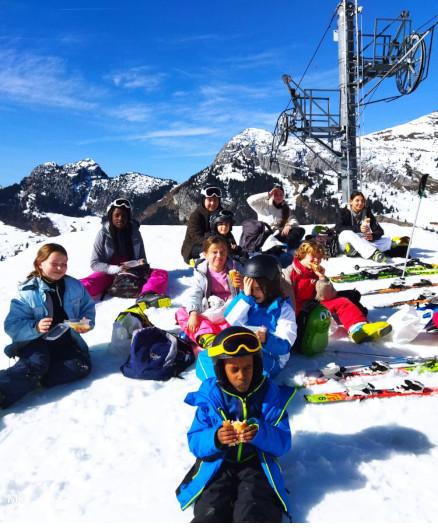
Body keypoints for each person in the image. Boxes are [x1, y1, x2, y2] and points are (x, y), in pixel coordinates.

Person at [176, 326, 295, 522]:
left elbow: (283, 442)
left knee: (255, 508)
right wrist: (215, 438)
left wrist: (259, 432)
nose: (242, 375)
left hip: (256, 464)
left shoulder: (268, 395)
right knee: (211, 509)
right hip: (218, 464)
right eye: (234, 369)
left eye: (247, 367)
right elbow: (195, 440)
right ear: (221, 370)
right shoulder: (211, 397)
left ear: (256, 365)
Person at [0, 243, 95, 409]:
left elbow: (88, 308)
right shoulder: (27, 292)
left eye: (64, 263)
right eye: (54, 263)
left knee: (81, 366)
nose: (60, 267)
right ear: (40, 264)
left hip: (66, 340)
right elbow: (11, 325)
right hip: (35, 342)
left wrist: (85, 324)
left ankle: (34, 378)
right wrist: (35, 327)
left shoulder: (75, 286)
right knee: (37, 362)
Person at [290, 240, 392, 344]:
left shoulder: (315, 272)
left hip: (315, 305)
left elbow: (327, 296)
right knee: (338, 304)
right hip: (298, 311)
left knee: (343, 301)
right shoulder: (290, 272)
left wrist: (322, 278)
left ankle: (358, 329)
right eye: (313, 256)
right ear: (303, 255)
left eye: (320, 257)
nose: (317, 260)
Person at [80, 198, 168, 303]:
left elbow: (142, 258)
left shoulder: (135, 233)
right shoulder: (103, 234)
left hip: (133, 271)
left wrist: (140, 263)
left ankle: (148, 294)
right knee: (93, 280)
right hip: (110, 273)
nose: (120, 218)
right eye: (116, 215)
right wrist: (116, 269)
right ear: (110, 216)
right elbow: (94, 264)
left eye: (124, 216)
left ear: (128, 217)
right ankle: (71, 294)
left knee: (160, 273)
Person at [224, 254, 297, 376]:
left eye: (257, 289)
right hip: (244, 349)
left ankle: (242, 384)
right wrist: (245, 297)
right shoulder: (249, 300)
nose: (253, 293)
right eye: (250, 289)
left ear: (271, 287)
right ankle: (225, 381)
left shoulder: (284, 309)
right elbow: (231, 318)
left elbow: (285, 346)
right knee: (209, 357)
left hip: (270, 358)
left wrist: (266, 339)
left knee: (251, 367)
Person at [176, 236, 241, 348]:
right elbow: (196, 292)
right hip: (209, 307)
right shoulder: (201, 271)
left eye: (222, 252)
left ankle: (204, 334)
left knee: (237, 318)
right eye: (214, 252)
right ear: (205, 254)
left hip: (229, 309)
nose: (219, 256)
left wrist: (242, 283)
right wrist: (194, 313)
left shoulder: (235, 268)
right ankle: (209, 337)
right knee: (181, 313)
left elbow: (246, 292)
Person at [335, 191, 392, 263]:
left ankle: (355, 251)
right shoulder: (343, 212)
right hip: (344, 241)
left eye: (362, 201)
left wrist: (373, 236)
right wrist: (358, 228)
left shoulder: (366, 212)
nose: (360, 203)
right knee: (347, 233)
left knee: (387, 240)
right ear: (351, 201)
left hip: (360, 240)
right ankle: (373, 254)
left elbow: (380, 231)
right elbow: (338, 228)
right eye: (357, 200)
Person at [246, 184, 305, 250]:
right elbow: (250, 200)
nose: (279, 196)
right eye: (276, 194)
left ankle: (286, 247)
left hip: (279, 233)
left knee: (300, 230)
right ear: (272, 195)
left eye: (281, 195)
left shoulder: (285, 208)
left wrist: (289, 225)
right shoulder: (263, 205)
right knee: (267, 234)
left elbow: (293, 219)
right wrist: (268, 194)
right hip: (265, 234)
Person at [181, 184, 222, 264]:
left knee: (224, 249)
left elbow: (226, 231)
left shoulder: (221, 214)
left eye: (215, 200)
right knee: (215, 249)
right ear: (203, 200)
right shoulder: (196, 215)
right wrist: (211, 243)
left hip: (215, 244)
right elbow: (195, 236)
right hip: (193, 248)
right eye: (209, 200)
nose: (213, 203)